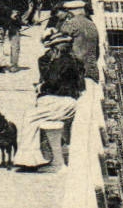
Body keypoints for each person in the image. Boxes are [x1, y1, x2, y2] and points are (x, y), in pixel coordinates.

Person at [11, 30, 86, 171]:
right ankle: (36, 156)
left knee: (30, 116)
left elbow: (52, 81)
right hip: (69, 101)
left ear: (57, 49)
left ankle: (29, 159)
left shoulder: (61, 62)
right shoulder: (73, 60)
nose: (50, 52)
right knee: (33, 114)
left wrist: (41, 87)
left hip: (64, 103)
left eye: (51, 49)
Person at [57, 0, 100, 83]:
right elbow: (97, 50)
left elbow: (61, 46)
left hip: (76, 69)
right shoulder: (92, 24)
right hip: (92, 68)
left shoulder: (71, 23)